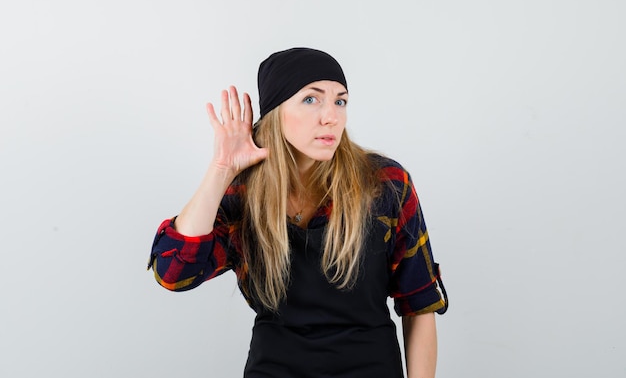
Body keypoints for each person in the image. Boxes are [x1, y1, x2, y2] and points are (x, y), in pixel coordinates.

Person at [147, 47, 448, 378]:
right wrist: (221, 170)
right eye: (311, 99)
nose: (330, 116)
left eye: (340, 101)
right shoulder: (243, 194)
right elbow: (173, 273)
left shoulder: (385, 185)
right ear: (276, 111)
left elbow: (418, 305)